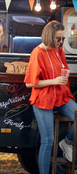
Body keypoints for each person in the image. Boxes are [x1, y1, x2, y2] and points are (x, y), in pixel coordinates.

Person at [24, 20, 77, 174]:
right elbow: (29, 83)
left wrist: (64, 75)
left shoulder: (59, 51)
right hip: (43, 99)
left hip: (61, 96)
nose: (61, 42)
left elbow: (63, 70)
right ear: (49, 36)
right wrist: (53, 81)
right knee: (48, 141)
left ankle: (67, 142)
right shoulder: (37, 53)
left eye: (63, 39)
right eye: (58, 39)